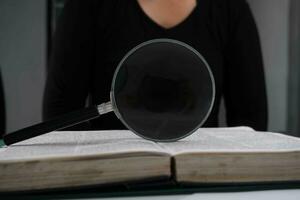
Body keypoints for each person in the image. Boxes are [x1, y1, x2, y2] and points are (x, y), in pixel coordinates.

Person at [43, 0, 268, 131]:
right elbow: (61, 111)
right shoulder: (90, 6)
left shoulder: (229, 9)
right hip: (110, 179)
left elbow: (250, 119)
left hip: (200, 180)